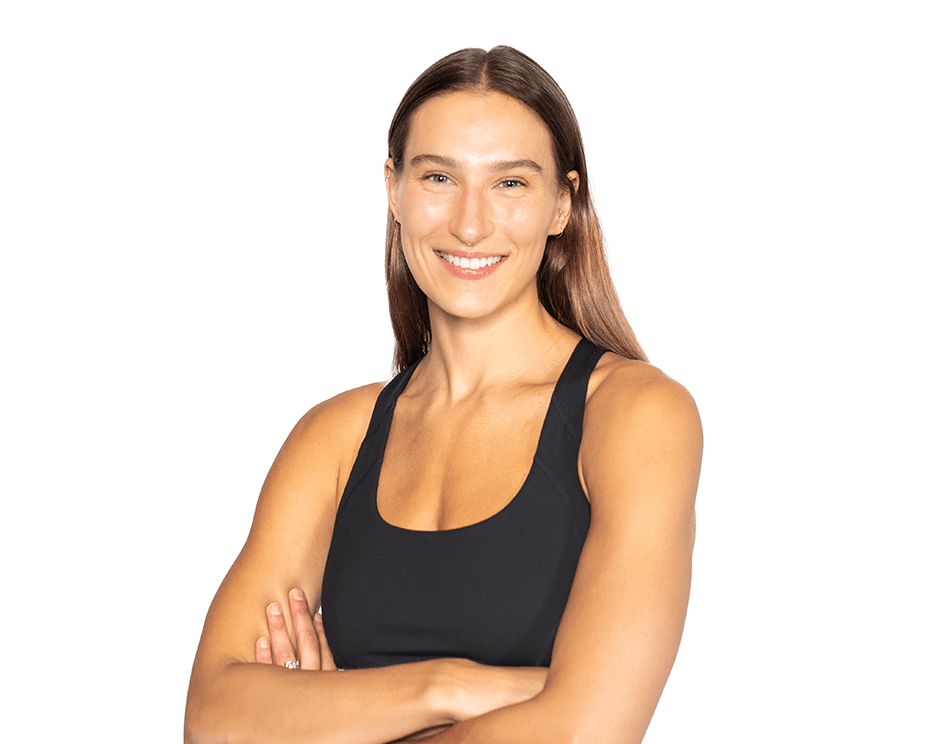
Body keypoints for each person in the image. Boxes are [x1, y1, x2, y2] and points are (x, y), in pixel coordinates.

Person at [185, 45, 702, 744]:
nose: (469, 223)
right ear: (393, 189)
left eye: (510, 183)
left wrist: (329, 714)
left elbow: (587, 732)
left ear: (562, 204)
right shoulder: (335, 438)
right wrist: (450, 686)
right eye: (438, 177)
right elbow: (213, 718)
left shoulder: (633, 414)